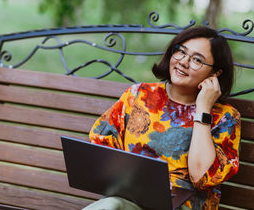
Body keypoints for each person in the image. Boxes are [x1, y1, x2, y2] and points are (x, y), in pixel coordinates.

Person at [86, 26, 241, 210]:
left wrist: (203, 110)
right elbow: (100, 147)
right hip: (131, 201)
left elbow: (202, 177)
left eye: (197, 60)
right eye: (181, 52)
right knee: (111, 205)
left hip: (181, 206)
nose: (183, 62)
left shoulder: (226, 118)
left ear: (215, 73)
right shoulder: (138, 95)